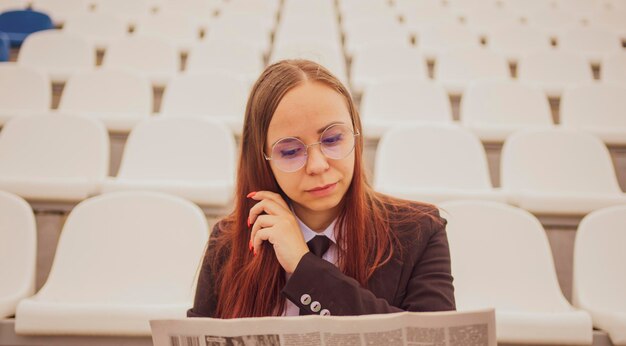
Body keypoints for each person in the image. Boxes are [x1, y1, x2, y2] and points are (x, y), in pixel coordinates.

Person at [188, 59, 455, 318]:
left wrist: (304, 267)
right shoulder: (227, 242)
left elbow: (432, 337)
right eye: (291, 151)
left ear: (356, 135)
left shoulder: (420, 232)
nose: (317, 165)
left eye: (332, 139)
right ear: (262, 160)